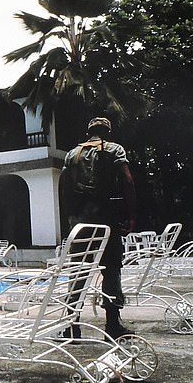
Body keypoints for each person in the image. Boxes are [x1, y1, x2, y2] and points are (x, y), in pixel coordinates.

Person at [60, 117, 136, 339]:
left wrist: (70, 218)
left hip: (80, 223)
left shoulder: (72, 154)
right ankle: (112, 324)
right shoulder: (114, 149)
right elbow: (128, 181)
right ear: (108, 132)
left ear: (89, 132)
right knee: (111, 269)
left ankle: (72, 325)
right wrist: (131, 215)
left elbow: (64, 188)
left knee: (79, 272)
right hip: (106, 220)